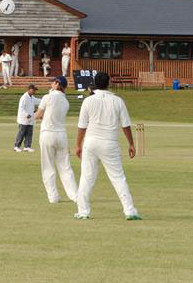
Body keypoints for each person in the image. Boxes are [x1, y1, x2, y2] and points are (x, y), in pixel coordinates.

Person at [74, 71, 140, 220]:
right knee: (118, 177)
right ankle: (130, 210)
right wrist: (131, 144)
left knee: (87, 177)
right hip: (110, 143)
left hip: (91, 142)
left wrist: (78, 145)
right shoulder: (117, 101)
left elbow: (82, 126)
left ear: (95, 84)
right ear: (108, 83)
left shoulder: (88, 101)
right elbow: (126, 125)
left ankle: (83, 211)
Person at [35, 76, 78, 203]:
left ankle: (53, 196)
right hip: (61, 135)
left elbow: (38, 115)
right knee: (65, 167)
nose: (51, 85)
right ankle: (75, 196)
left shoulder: (47, 97)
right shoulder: (66, 102)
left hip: (48, 134)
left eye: (53, 83)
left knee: (48, 167)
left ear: (57, 84)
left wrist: (29, 117)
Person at [14, 84, 40, 152]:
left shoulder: (32, 97)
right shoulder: (24, 97)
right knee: (21, 133)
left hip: (30, 118)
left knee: (29, 133)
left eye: (35, 90)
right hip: (24, 118)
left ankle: (27, 146)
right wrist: (26, 114)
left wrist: (47, 99)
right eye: (33, 90)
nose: (34, 91)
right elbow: (21, 108)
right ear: (29, 89)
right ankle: (16, 146)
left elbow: (39, 101)